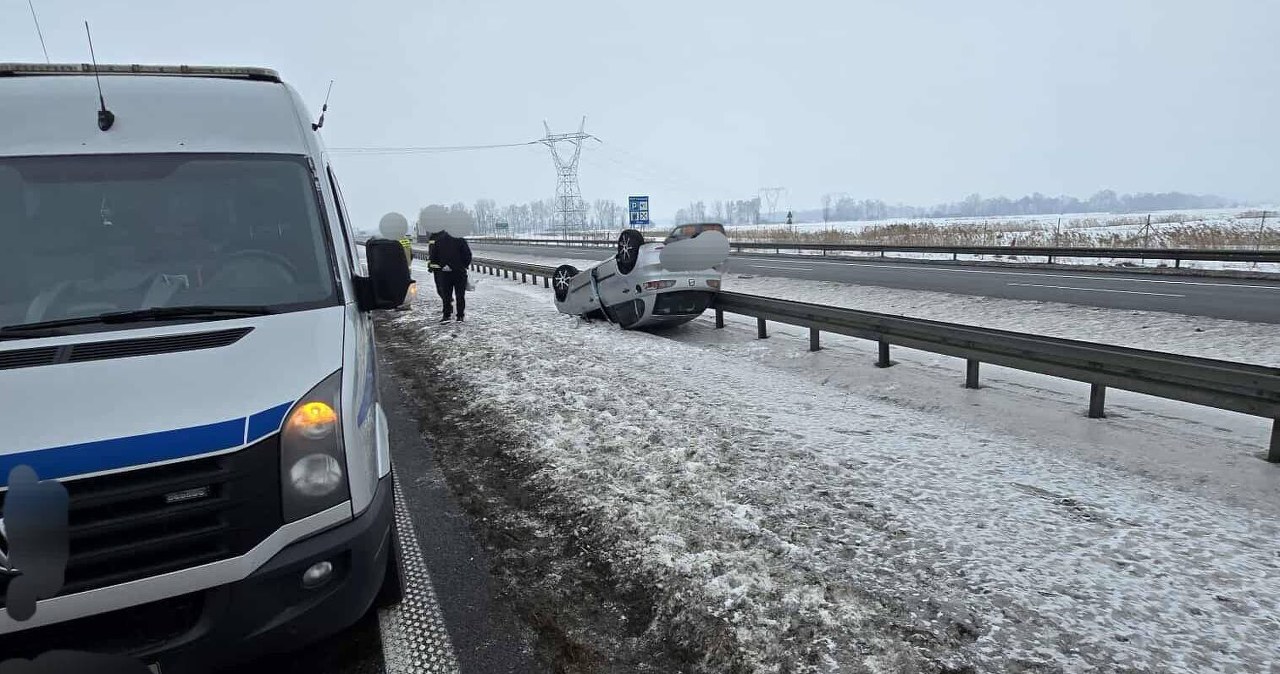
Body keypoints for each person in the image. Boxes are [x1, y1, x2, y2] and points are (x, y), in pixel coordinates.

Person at [427, 228, 472, 322]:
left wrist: (442, 265)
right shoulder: (460, 240)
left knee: (446, 295)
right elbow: (468, 255)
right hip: (459, 272)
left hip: (445, 273)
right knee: (460, 295)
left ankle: (446, 315)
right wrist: (463, 266)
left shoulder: (439, 241)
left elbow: (434, 256)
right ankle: (460, 316)